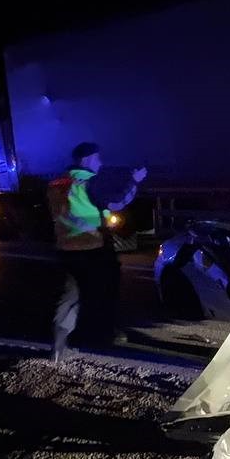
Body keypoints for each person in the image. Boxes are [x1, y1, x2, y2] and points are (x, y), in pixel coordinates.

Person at [48, 142, 146, 362]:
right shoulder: (90, 183)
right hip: (93, 249)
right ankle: (101, 339)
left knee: (70, 298)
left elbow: (71, 211)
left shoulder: (57, 184)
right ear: (86, 160)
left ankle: (58, 347)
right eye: (97, 158)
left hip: (66, 249)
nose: (100, 162)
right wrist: (135, 182)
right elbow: (117, 203)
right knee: (102, 294)